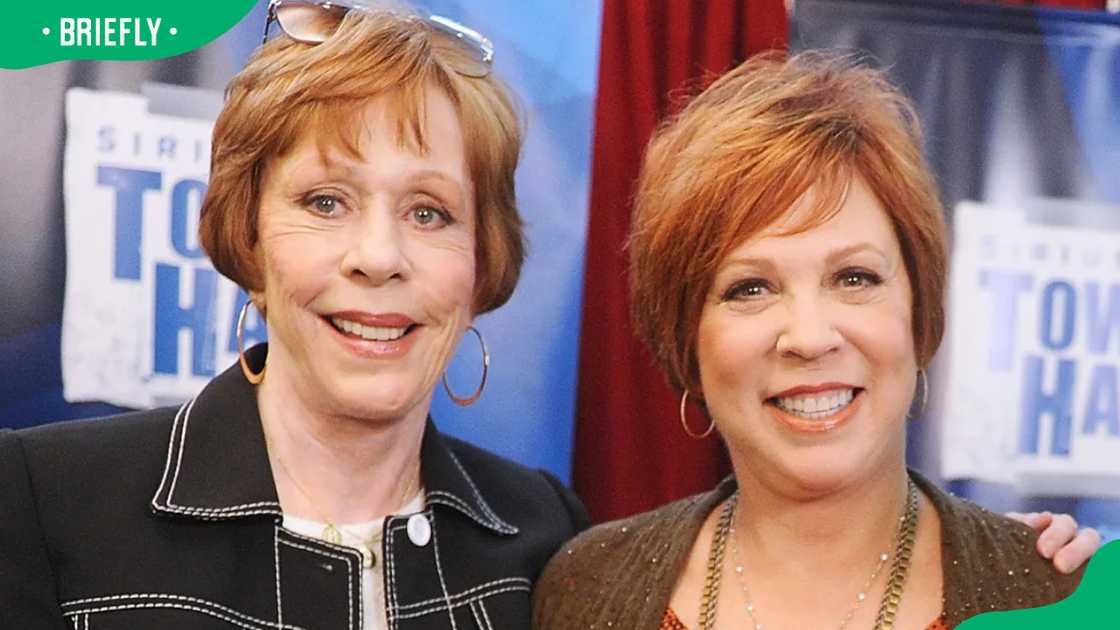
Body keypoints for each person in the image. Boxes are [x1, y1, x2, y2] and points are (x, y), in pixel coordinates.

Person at [0, 4, 587, 630]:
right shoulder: (43, 499)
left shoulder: (547, 533)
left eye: (428, 212)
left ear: (482, 261)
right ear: (248, 241)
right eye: (327, 202)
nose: (379, 258)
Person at [533, 52, 1101, 630]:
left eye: (854, 278)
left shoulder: (1055, 596)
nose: (808, 337)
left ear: (919, 312)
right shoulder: (586, 590)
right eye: (750, 288)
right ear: (687, 340)